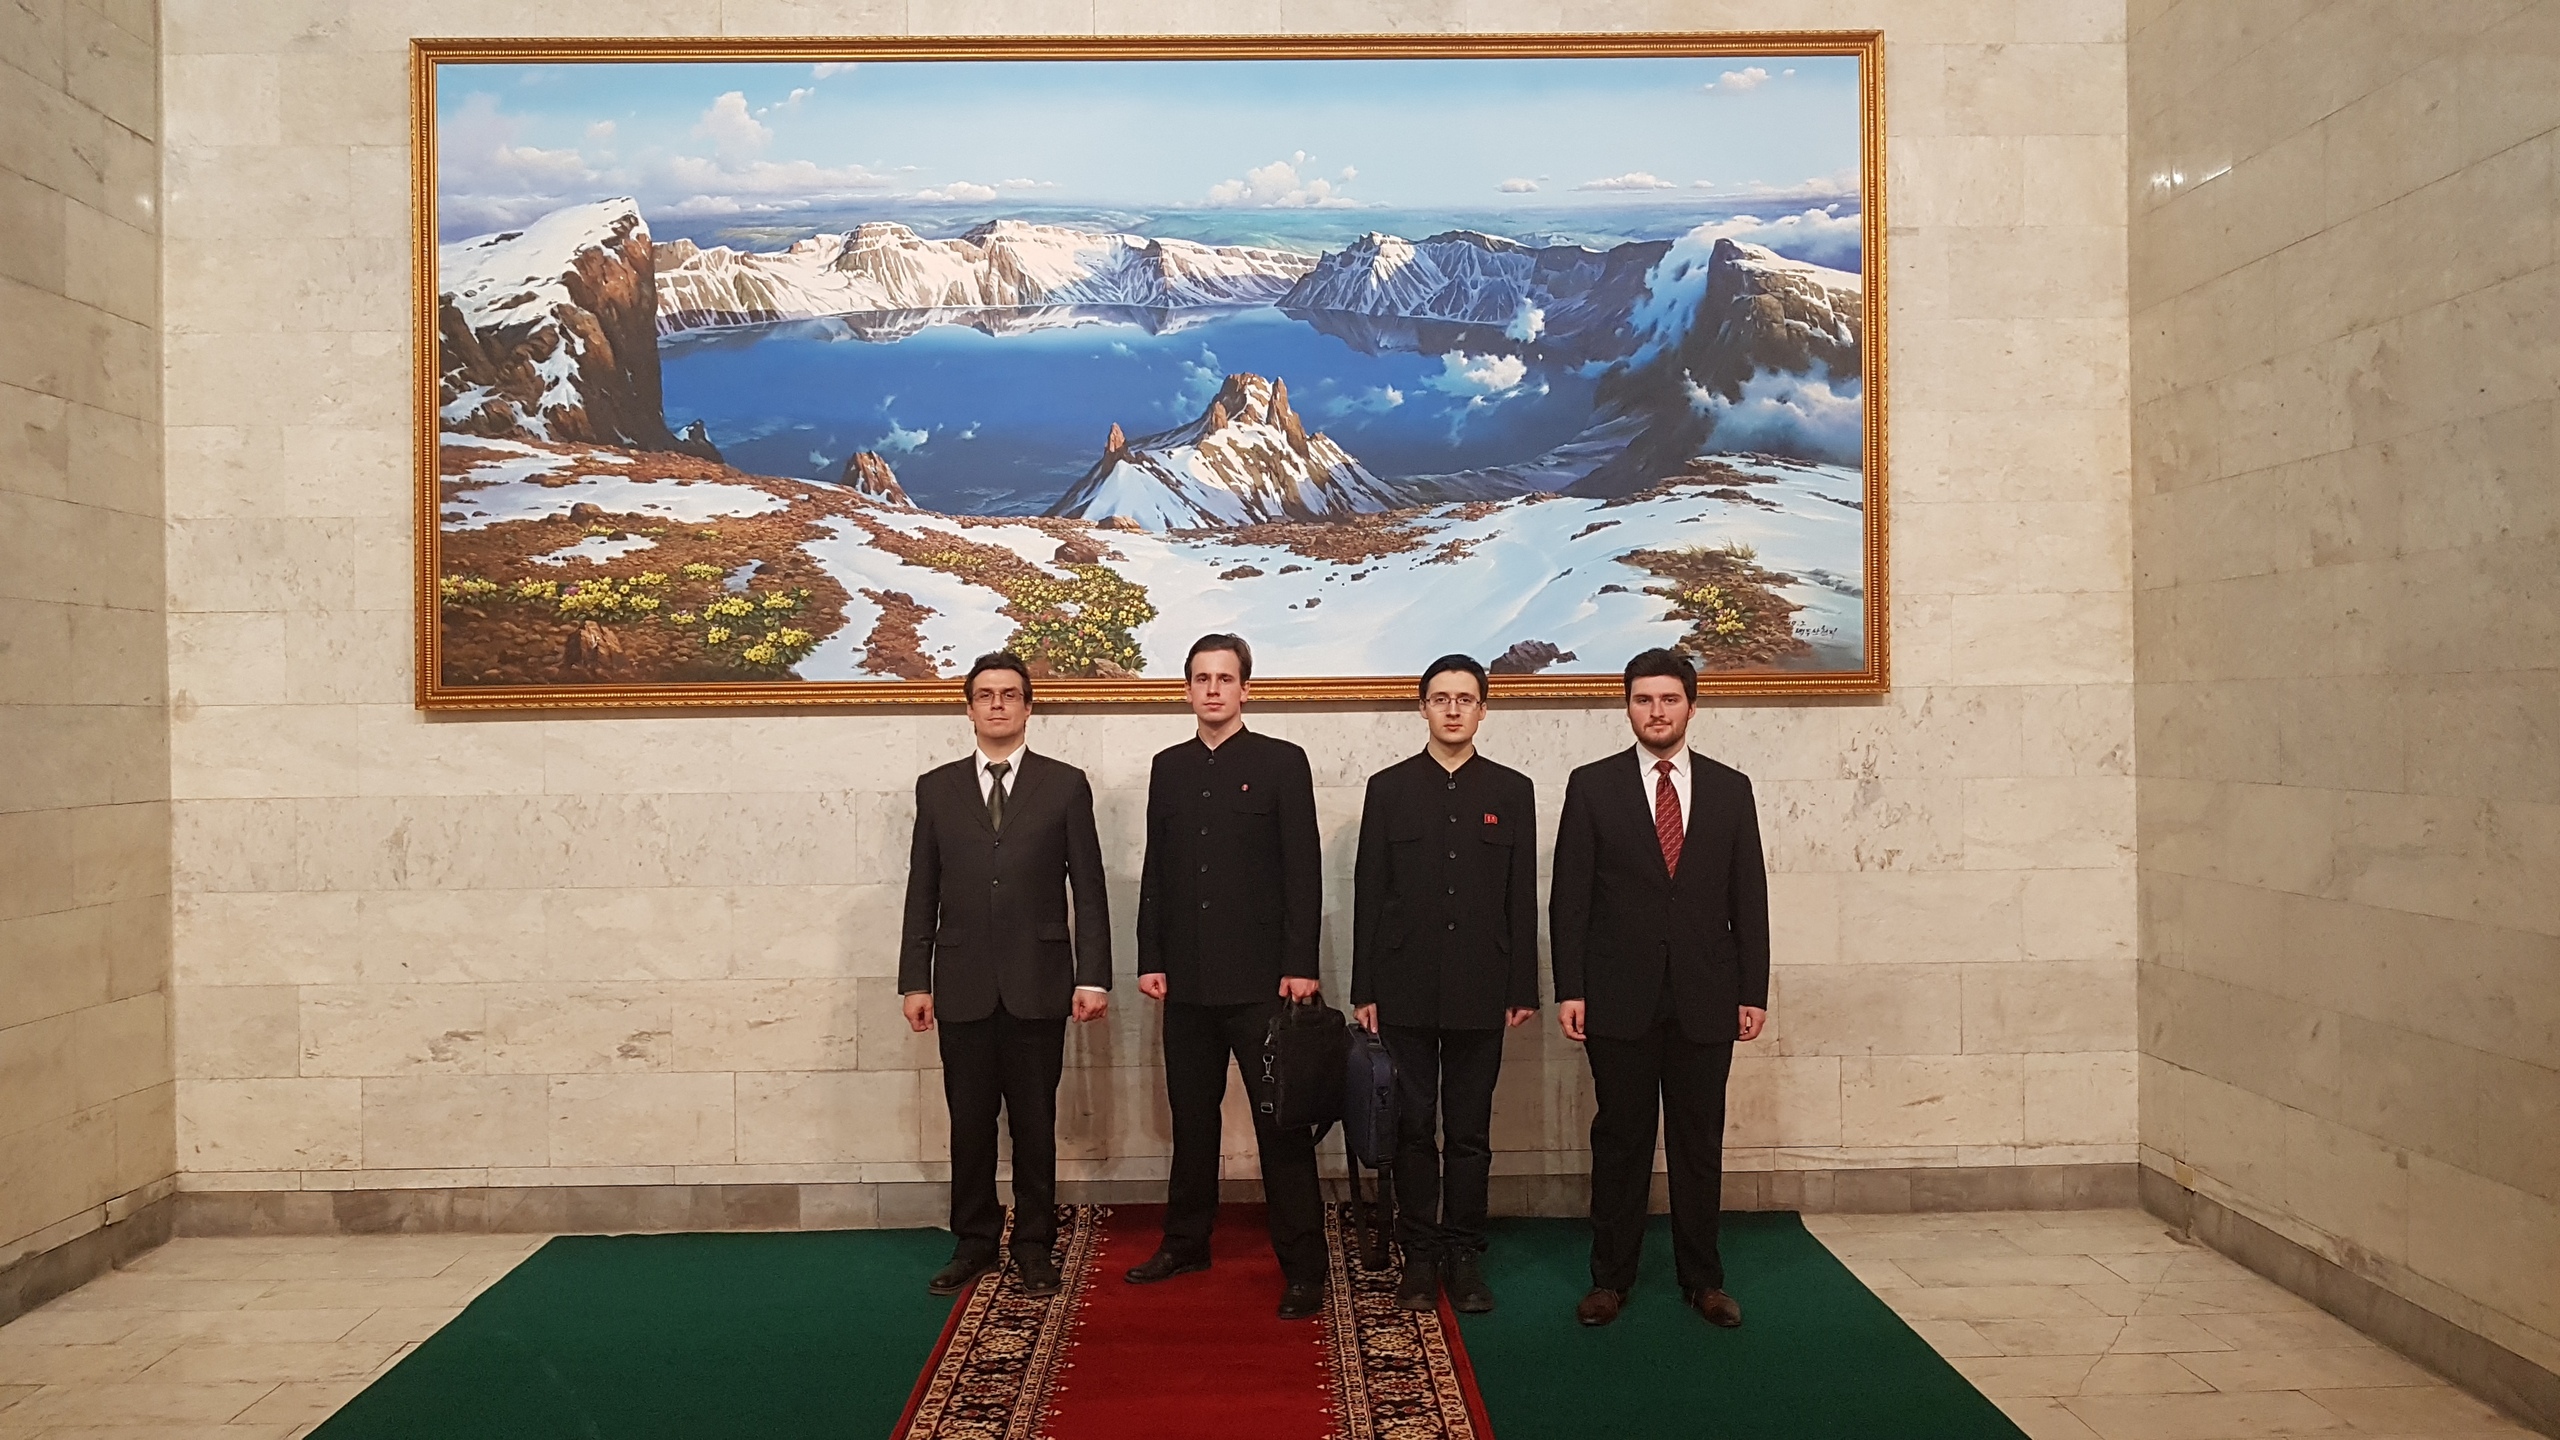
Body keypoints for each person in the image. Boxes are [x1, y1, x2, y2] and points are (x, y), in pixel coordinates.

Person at [1549, 648, 1771, 1330]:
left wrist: (1753, 989)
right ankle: (1609, 1280)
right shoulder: (1592, 786)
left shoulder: (1731, 789)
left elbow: (1749, 897)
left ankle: (1703, 1280)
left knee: (1698, 1142)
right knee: (1621, 1139)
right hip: (1618, 994)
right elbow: (1570, 898)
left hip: (1707, 994)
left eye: (1669, 699)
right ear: (1628, 707)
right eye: (1643, 699)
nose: (1656, 711)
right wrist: (1570, 987)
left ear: (1691, 708)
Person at [1126, 633, 1330, 1320]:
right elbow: (1157, 869)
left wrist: (1301, 965)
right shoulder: (1169, 767)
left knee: (1282, 1126)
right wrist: (1150, 955)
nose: (1213, 689)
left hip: (1263, 984)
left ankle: (1303, 1266)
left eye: (1225, 678)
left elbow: (1303, 870)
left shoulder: (1281, 762)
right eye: (1201, 678)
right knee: (1191, 1121)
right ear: (1187, 689)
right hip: (1185, 982)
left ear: (1246, 689)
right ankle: (1186, 1243)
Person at [899, 652, 1112, 1299]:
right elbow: (922, 888)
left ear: (1027, 706)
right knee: (968, 1122)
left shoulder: (1065, 784)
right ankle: (973, 1240)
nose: (997, 704)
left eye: (1010, 694)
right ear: (969, 708)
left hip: (1038, 982)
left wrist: (1093, 976)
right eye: (986, 694)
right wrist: (915, 979)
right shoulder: (937, 788)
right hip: (962, 981)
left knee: (1033, 1122)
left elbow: (1089, 888)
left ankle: (1034, 1244)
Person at [1351, 653, 1539, 1315]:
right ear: (1423, 708)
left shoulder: (1511, 791)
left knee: (1468, 1133)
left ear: (1483, 709)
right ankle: (1420, 1253)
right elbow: (1370, 892)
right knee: (1411, 1128)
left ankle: (1464, 1253)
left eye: (1465, 699)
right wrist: (1364, 988)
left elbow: (1521, 897)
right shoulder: (1389, 789)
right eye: (1440, 698)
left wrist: (1522, 987)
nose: (1453, 709)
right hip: (1403, 986)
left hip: (1482, 987)